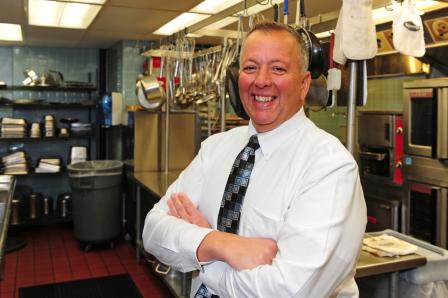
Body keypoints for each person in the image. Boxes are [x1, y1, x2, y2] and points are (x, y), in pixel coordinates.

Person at [143, 21, 367, 298]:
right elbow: (153, 230)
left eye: (278, 68)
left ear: (304, 83)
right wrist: (220, 243)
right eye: (250, 67)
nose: (261, 80)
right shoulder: (215, 148)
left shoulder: (329, 167)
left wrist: (206, 259)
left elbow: (287, 291)